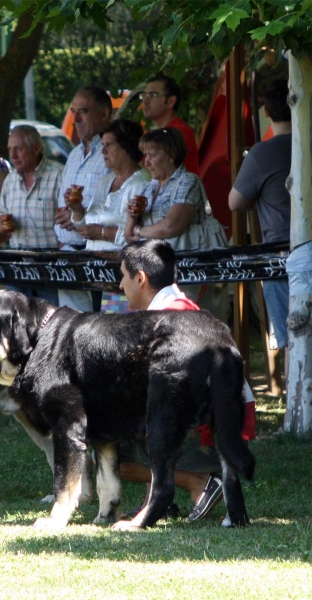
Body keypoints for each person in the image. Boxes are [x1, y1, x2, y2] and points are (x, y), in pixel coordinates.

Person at [118, 239, 256, 524]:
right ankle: (162, 500)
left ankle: (199, 483)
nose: (120, 285)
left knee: (115, 454)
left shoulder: (170, 317)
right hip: (227, 429)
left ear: (140, 279)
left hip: (212, 433)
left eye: (123, 276)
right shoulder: (177, 306)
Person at [229, 79, 291, 380]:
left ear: (267, 111)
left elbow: (234, 202)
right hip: (289, 249)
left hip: (280, 253)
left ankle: (299, 416)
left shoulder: (262, 153)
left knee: (293, 335)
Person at [124, 128, 211, 302]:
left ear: (171, 155)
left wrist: (140, 230)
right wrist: (133, 215)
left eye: (153, 155)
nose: (146, 162)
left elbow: (172, 226)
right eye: (145, 155)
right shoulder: (148, 187)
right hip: (151, 270)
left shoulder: (187, 181)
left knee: (180, 317)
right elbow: (128, 235)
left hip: (182, 270)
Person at [55, 85, 112, 311]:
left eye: (83, 111)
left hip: (99, 254)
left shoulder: (111, 152)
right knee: (73, 326)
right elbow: (63, 202)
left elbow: (116, 199)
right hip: (69, 252)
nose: (75, 118)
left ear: (105, 114)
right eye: (73, 111)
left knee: (100, 329)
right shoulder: (75, 154)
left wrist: (78, 215)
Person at [0, 124, 61, 305]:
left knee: (51, 322)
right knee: (19, 324)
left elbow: (68, 222)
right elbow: (0, 219)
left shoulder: (58, 174)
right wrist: (2, 225)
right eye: (10, 149)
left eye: (18, 149)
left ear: (37, 148)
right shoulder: (10, 180)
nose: (13, 155)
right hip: (17, 264)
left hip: (50, 265)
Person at [68, 120, 149, 251]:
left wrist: (103, 233)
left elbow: (146, 237)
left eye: (109, 145)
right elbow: (88, 228)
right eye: (102, 145)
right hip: (94, 266)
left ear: (126, 147)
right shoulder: (105, 181)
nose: (103, 151)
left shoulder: (142, 183)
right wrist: (76, 208)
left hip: (123, 266)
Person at [140, 74, 200, 175]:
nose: (145, 101)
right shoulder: (157, 132)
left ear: (171, 101)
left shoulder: (178, 132)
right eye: (144, 95)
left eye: (153, 95)